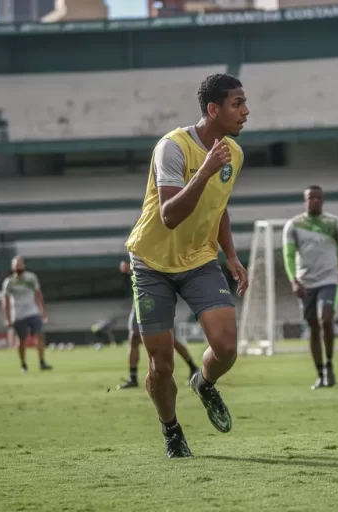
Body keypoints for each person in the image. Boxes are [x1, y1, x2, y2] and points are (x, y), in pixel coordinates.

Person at [125, 73, 249, 458]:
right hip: (151, 264)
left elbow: (218, 206)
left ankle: (204, 382)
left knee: (227, 347)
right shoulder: (172, 148)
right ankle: (171, 429)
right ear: (213, 110)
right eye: (237, 104)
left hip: (199, 259)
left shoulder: (234, 154)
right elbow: (169, 215)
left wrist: (230, 255)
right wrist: (207, 169)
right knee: (161, 365)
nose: (246, 112)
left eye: (245, 104)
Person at [282, 185, 338, 390]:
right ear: (304, 201)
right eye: (310, 197)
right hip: (305, 283)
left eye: (317, 197)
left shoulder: (335, 223)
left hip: (329, 280)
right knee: (313, 327)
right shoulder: (294, 225)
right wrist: (293, 280)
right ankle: (320, 372)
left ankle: (330, 363)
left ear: (322, 200)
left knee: (326, 320)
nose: (314, 200)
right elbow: (288, 255)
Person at [116, 260, 200, 390]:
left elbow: (156, 271)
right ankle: (133, 378)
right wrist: (129, 269)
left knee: (171, 340)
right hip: (139, 300)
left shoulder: (159, 250)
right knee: (133, 339)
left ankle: (193, 367)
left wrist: (130, 270)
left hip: (156, 298)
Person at [1, 256, 52, 373]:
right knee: (21, 341)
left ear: (23, 265)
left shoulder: (31, 278)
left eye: (19, 264)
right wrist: (7, 318)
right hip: (18, 315)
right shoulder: (9, 282)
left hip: (33, 312)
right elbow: (5, 301)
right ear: (12, 267)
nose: (18, 266)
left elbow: (38, 294)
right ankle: (23, 365)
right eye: (15, 264)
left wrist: (43, 311)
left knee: (40, 336)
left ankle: (42, 362)